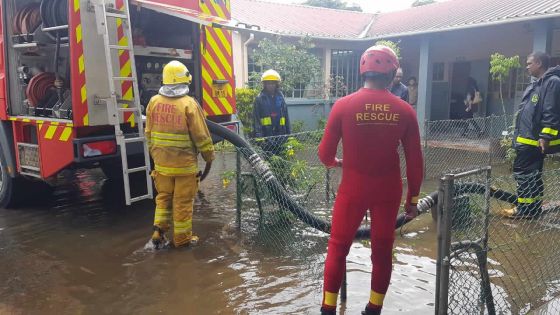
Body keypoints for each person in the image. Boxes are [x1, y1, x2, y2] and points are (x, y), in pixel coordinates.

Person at [318, 46, 424, 315]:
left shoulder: (343, 106)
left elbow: (324, 154)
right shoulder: (404, 110)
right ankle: (373, 309)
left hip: (352, 189)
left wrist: (336, 163)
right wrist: (413, 201)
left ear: (363, 71)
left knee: (338, 247)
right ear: (391, 74)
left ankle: (328, 309)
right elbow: (415, 162)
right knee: (382, 250)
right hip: (388, 191)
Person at [145, 60, 215, 248]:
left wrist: (156, 156)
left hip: (161, 165)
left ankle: (158, 231)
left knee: (164, 198)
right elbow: (201, 136)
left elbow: (149, 133)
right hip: (184, 166)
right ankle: (182, 240)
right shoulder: (189, 104)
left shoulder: (153, 102)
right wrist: (209, 156)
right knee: (182, 203)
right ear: (184, 81)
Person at [501, 52, 560, 219]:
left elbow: (551, 111)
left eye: (529, 63)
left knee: (523, 174)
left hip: (534, 142)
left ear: (539, 63)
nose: (526, 67)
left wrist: (546, 136)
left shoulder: (552, 83)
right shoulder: (536, 85)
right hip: (525, 140)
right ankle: (533, 208)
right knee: (532, 175)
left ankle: (525, 210)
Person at [252, 69, 291, 156]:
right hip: (266, 138)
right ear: (264, 84)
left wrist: (289, 135)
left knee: (281, 160)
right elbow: (256, 120)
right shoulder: (259, 99)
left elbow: (286, 117)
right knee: (268, 160)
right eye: (268, 83)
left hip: (281, 136)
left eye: (273, 83)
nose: (270, 85)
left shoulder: (281, 98)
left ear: (277, 84)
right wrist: (259, 139)